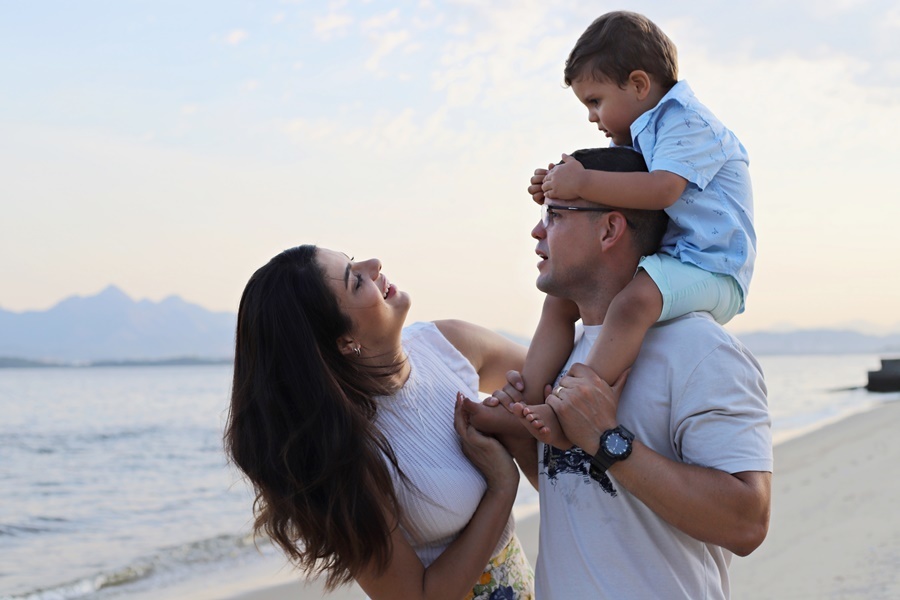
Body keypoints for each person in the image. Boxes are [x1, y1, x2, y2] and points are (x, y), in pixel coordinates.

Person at [483, 147, 771, 598]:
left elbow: (747, 521)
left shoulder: (700, 350)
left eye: (556, 215)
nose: (537, 230)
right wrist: (520, 439)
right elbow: (580, 494)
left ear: (610, 229)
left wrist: (607, 440)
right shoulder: (564, 354)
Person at [224, 245, 535, 600]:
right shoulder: (342, 451)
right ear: (345, 342)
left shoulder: (447, 345)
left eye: (353, 259)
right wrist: (501, 486)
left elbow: (552, 380)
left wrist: (516, 424)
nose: (374, 265)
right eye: (355, 281)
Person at [519, 11, 756, 446]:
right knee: (560, 299)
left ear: (639, 85)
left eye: (596, 101)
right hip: (673, 261)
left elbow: (662, 189)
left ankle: (576, 404)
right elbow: (611, 183)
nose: (592, 116)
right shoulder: (637, 133)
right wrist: (558, 186)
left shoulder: (685, 120)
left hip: (715, 268)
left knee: (632, 304)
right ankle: (525, 400)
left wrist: (584, 181)